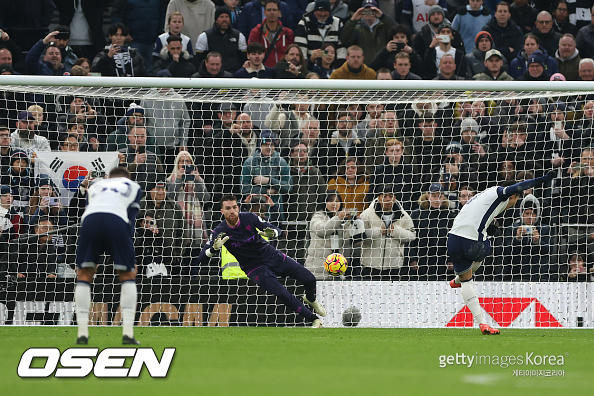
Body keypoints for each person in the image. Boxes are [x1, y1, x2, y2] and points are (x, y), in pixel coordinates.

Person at [447, 170, 556, 334]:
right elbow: (520, 185)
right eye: (516, 200)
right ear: (513, 196)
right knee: (489, 245)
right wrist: (545, 179)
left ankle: (482, 323)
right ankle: (459, 279)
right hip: (472, 241)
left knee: (466, 280)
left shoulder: (484, 195)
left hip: (453, 239)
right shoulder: (501, 193)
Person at [195, 194, 325, 328]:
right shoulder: (219, 231)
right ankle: (314, 319)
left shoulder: (249, 218)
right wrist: (213, 249)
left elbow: (276, 229)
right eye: (228, 208)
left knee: (309, 279)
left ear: (238, 208)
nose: (232, 211)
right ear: (222, 211)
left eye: (234, 207)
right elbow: (201, 258)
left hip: (272, 256)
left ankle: (311, 298)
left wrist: (273, 233)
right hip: (254, 268)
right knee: (282, 293)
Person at [75, 167, 142, 345]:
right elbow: (131, 220)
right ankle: (127, 333)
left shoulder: (96, 186)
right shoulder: (133, 186)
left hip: (89, 221)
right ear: (127, 177)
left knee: (84, 273)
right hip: (117, 221)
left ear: (110, 178)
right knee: (127, 274)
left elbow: (91, 208)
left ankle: (82, 332)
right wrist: (127, 254)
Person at [360, 186, 416, 280]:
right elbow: (359, 235)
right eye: (384, 196)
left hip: (394, 266)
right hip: (370, 265)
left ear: (395, 198)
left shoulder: (404, 216)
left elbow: (412, 235)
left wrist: (396, 231)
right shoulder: (367, 214)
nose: (388, 199)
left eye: (390, 196)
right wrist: (377, 231)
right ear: (378, 197)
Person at [305, 192, 360, 279]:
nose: (334, 203)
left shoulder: (343, 221)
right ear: (324, 202)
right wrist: (338, 218)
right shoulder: (317, 217)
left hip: (338, 271)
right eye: (330, 200)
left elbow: (349, 241)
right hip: (317, 271)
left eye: (337, 201)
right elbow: (322, 231)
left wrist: (354, 223)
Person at [241, 130, 292, 221]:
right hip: (254, 211)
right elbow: (244, 188)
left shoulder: (281, 162)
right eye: (265, 144)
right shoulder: (250, 162)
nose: (269, 147)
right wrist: (267, 191)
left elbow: (288, 187)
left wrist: (269, 181)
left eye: (271, 144)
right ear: (260, 145)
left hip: (275, 211)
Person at [339, 0, 394, 66]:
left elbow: (397, 31)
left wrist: (382, 16)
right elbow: (345, 39)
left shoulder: (384, 26)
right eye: (366, 11)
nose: (369, 13)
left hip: (382, 67)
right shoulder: (356, 28)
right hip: (363, 68)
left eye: (372, 11)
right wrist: (352, 20)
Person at [195, 6, 247, 74]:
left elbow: (243, 58)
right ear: (216, 19)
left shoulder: (239, 36)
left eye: (227, 17)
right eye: (221, 17)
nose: (224, 19)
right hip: (211, 76)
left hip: (234, 76)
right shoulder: (204, 36)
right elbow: (198, 60)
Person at [294, 0, 346, 67]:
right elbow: (301, 49)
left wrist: (338, 67)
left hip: (332, 68)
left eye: (325, 11)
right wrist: (307, 65)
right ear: (314, 11)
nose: (322, 14)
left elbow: (341, 48)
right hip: (311, 67)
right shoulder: (304, 23)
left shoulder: (338, 23)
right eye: (320, 11)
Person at [247, 0, 295, 68]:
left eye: (274, 10)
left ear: (279, 12)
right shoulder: (256, 32)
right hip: (263, 72)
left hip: (283, 72)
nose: (272, 13)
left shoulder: (288, 33)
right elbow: (251, 54)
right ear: (264, 12)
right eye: (269, 10)